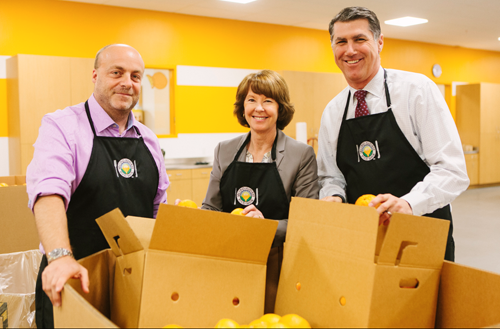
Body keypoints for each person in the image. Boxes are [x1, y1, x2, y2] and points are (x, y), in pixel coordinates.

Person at [26, 44, 169, 328]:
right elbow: (49, 193)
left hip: (133, 284)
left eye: (136, 76)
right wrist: (60, 257)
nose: (127, 83)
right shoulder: (62, 127)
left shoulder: (149, 140)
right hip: (75, 278)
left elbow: (157, 211)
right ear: (95, 75)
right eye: (117, 72)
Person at [317, 7, 469, 261]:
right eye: (341, 41)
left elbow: (452, 171)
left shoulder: (417, 91)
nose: (350, 50)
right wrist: (333, 196)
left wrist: (409, 204)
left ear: (379, 42)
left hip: (421, 234)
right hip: (363, 241)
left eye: (359, 39)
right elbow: (331, 176)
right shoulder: (333, 112)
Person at [202, 69, 319, 312]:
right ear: (242, 107)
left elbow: (307, 220)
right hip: (231, 257)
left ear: (280, 108)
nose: (259, 108)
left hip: (280, 262)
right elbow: (211, 208)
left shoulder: (301, 154)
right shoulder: (224, 150)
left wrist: (264, 227)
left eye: (268, 101)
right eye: (252, 100)